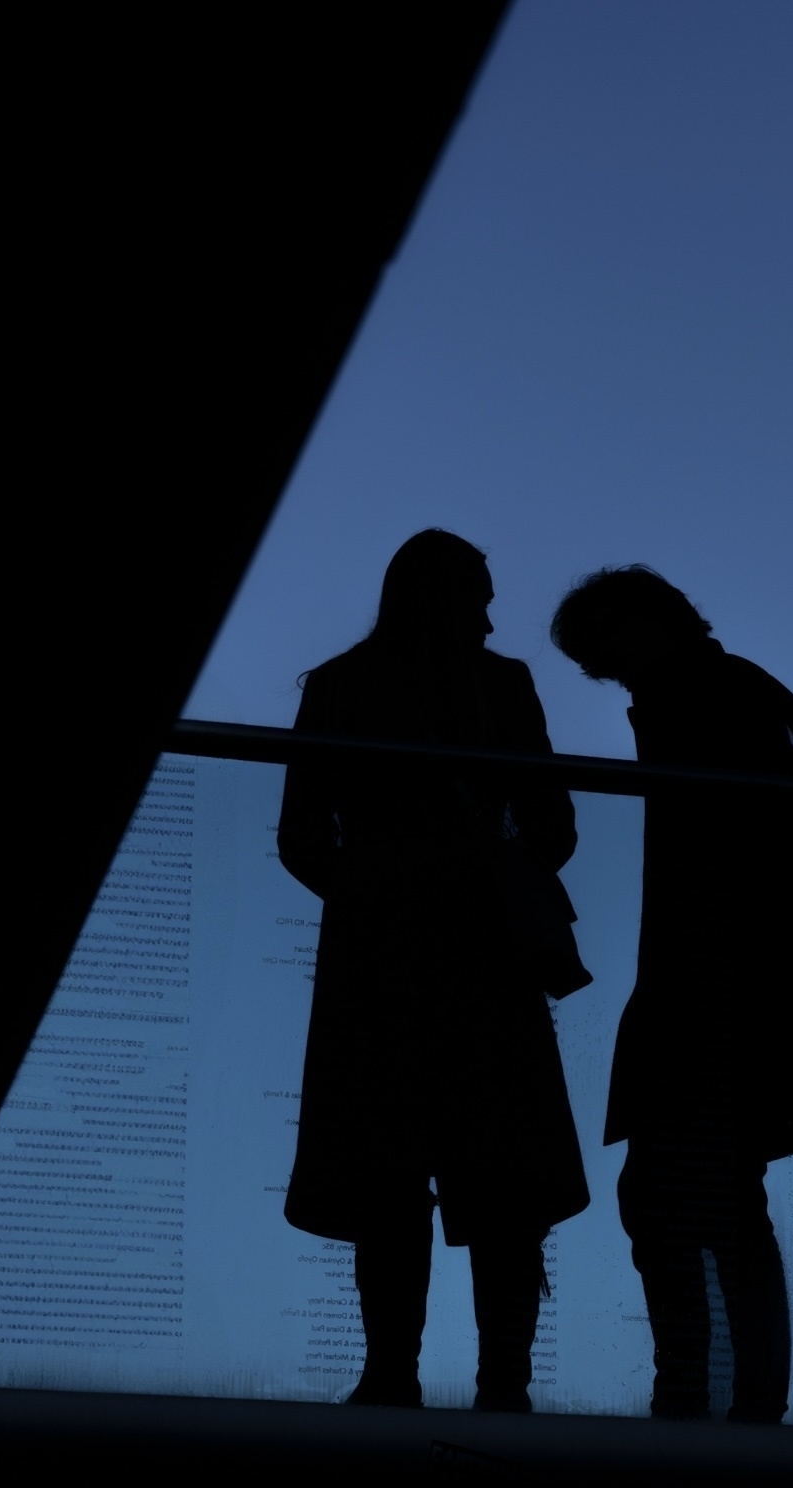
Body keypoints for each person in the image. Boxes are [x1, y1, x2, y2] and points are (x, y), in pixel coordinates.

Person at [277, 530, 589, 1412]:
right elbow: (553, 824)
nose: (492, 616)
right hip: (484, 950)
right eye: (481, 596)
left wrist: (371, 893)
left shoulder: (337, 686)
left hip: (374, 959)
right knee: (506, 1179)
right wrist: (494, 878)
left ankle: (388, 1376)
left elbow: (301, 838)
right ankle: (505, 1384)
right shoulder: (504, 687)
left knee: (385, 1173)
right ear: (449, 597)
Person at [551, 566, 793, 1423]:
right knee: (703, 1198)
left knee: (688, 1198)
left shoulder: (704, 693)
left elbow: (727, 854)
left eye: (603, 646)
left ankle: (711, 1402)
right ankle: (720, 1398)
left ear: (646, 621)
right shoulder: (730, 690)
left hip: (717, 992)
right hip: (726, 988)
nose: (602, 671)